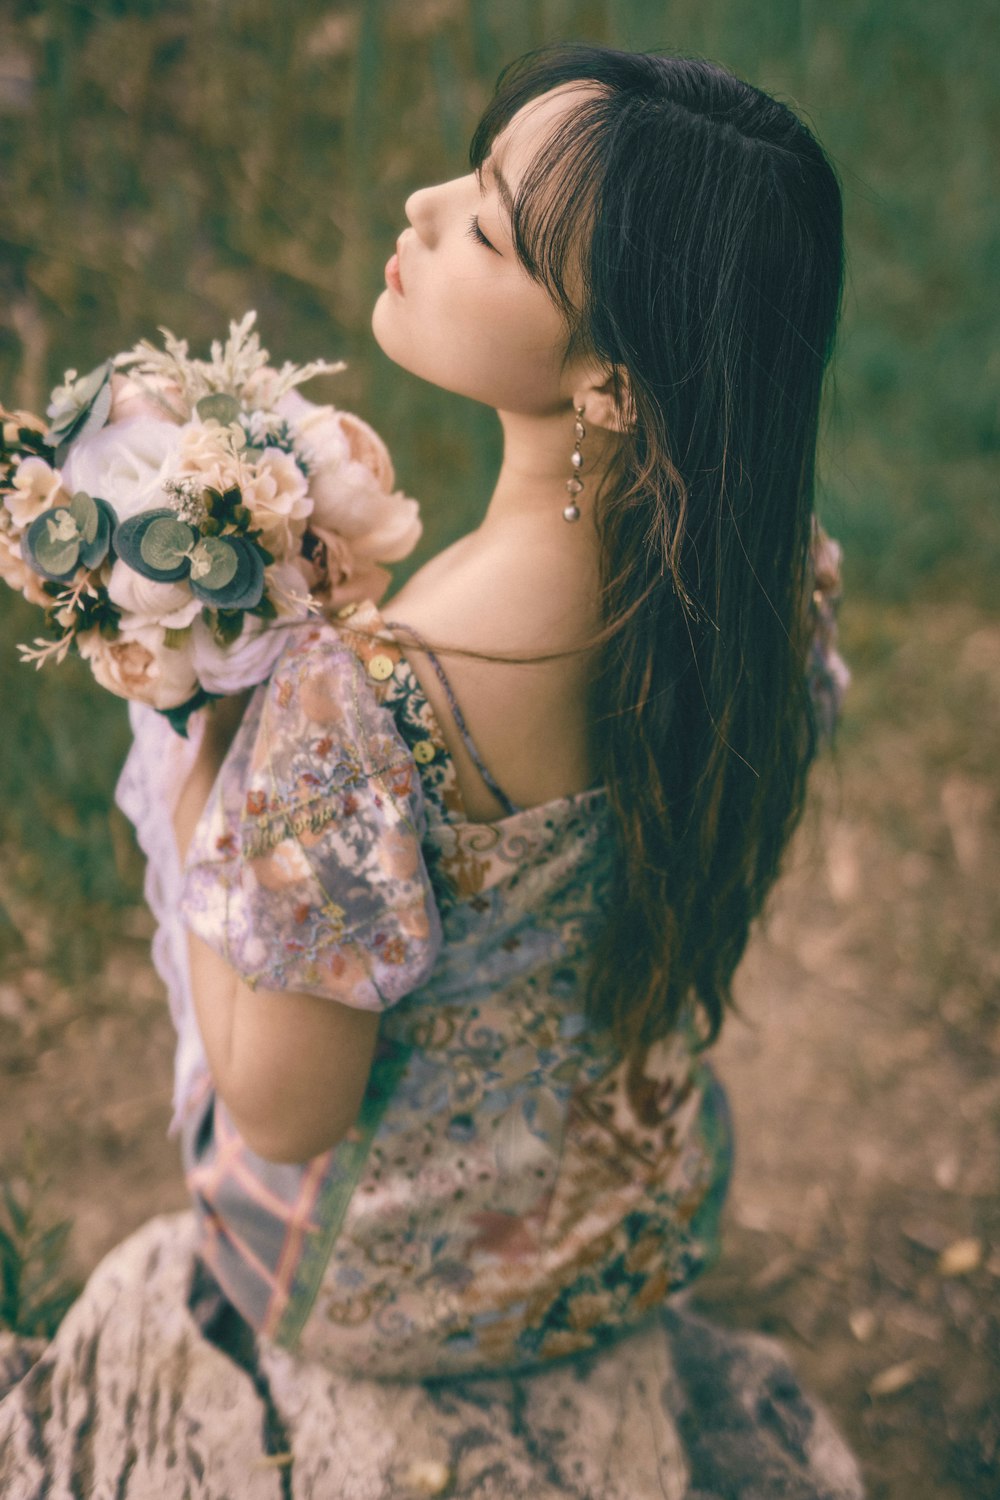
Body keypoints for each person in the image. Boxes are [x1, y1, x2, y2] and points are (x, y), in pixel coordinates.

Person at [0, 43, 859, 1498]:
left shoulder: (364, 706)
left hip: (393, 1287)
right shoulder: (771, 592)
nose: (415, 200)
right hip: (635, 1206)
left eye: (483, 225)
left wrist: (212, 786)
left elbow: (283, 1111)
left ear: (606, 380)